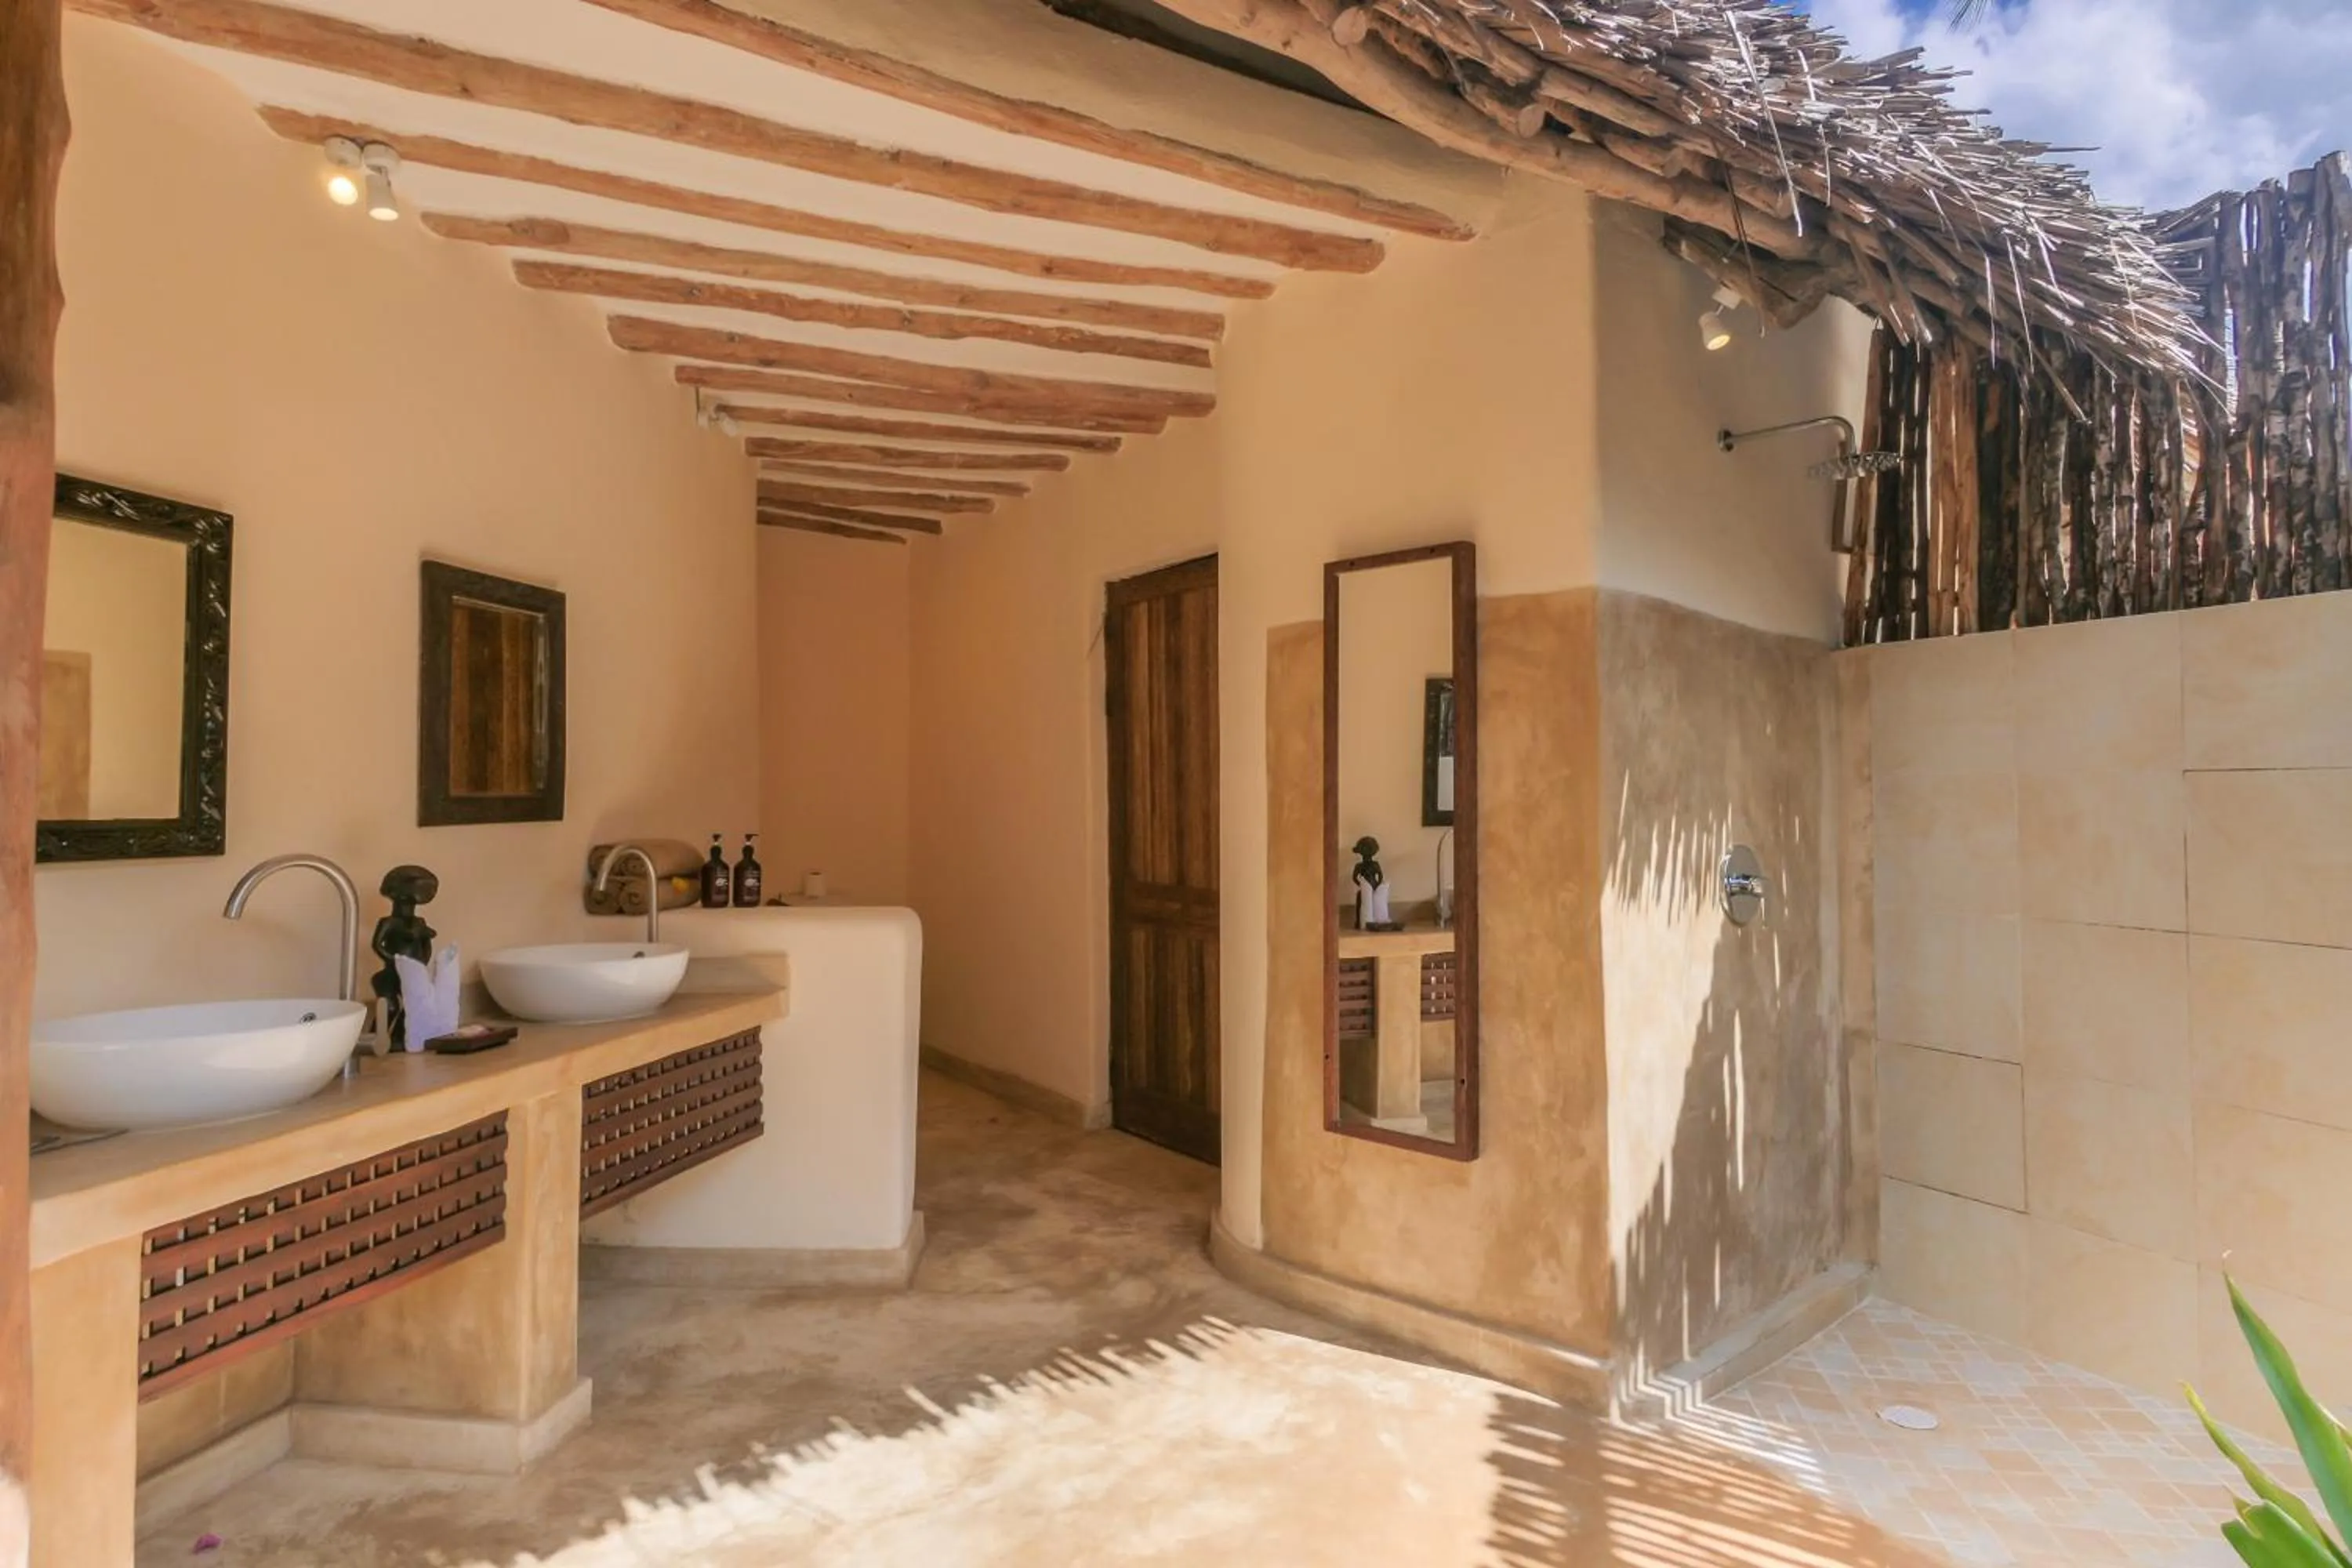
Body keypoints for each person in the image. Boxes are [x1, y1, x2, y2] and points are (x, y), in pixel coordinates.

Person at [370, 864, 439, 1048]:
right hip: (390, 975)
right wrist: (394, 961)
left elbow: (426, 946)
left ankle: (399, 1040)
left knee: (412, 1007)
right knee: (391, 1007)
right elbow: (377, 945)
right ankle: (374, 1037)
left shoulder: (419, 923)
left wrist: (420, 966)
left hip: (411, 975)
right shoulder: (389, 922)